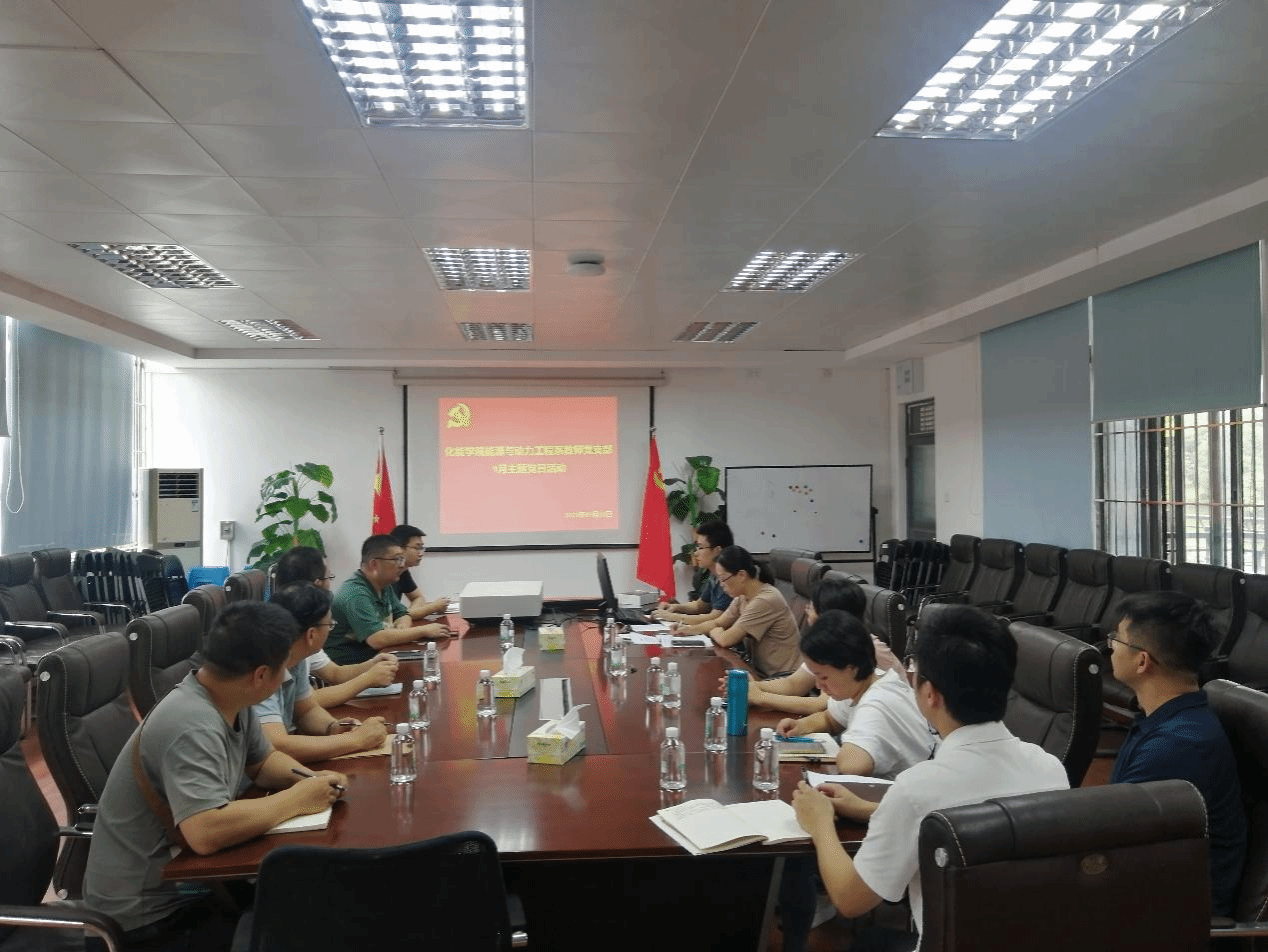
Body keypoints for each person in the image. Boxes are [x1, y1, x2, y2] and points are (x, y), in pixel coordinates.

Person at [792, 605, 1067, 951]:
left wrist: (820, 824)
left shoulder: (917, 789)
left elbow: (850, 900)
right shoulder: (1051, 768)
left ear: (930, 693)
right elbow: (961, 817)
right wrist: (868, 810)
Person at [83, 602, 347, 951]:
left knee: (307, 907)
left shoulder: (229, 698)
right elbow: (205, 832)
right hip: (147, 918)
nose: (285, 679)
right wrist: (298, 799)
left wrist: (311, 780)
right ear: (260, 675)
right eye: (283, 670)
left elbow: (263, 762)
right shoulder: (191, 723)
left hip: (196, 887)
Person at [1108, 590, 1246, 919]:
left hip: (1171, 918)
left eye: (1117, 639)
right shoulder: (1170, 720)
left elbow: (1115, 846)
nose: (1110, 646)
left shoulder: (1176, 747)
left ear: (1142, 661)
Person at [776, 611, 937, 776]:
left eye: (823, 677)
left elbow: (852, 766)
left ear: (851, 668)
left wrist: (847, 744)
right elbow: (830, 719)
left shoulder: (877, 703)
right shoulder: (866, 683)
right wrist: (802, 725)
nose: (818, 685)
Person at [257, 582, 389, 763]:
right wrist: (356, 740)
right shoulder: (260, 669)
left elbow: (306, 711)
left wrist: (332, 727)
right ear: (311, 635)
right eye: (330, 624)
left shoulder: (297, 657)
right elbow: (276, 744)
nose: (330, 629)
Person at [275, 545, 399, 706]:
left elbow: (334, 673)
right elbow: (308, 702)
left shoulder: (302, 622)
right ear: (317, 584)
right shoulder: (292, 635)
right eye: (329, 577)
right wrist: (367, 679)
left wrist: (373, 664)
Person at [325, 534, 450, 665]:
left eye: (402, 559)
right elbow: (376, 640)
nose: (402, 565)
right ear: (374, 564)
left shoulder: (384, 585)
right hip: (351, 667)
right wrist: (423, 631)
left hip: (378, 657)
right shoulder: (355, 594)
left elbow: (403, 614)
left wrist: (402, 627)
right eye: (397, 559)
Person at [704, 545, 801, 677]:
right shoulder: (742, 597)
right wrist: (685, 630)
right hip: (759, 672)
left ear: (741, 575)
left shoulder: (765, 600)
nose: (721, 585)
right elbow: (718, 623)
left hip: (782, 678)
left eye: (723, 579)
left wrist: (715, 631)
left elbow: (726, 639)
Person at [653, 519, 734, 631]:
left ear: (717, 550)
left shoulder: (730, 577)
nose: (695, 553)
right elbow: (700, 605)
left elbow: (715, 618)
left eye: (700, 547)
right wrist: (674, 607)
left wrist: (673, 617)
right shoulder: (714, 575)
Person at [389, 524, 451, 620]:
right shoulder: (384, 576)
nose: (421, 554)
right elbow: (397, 615)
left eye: (421, 548)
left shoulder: (403, 572)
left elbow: (418, 598)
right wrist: (433, 607)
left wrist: (411, 613)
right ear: (399, 548)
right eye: (417, 548)